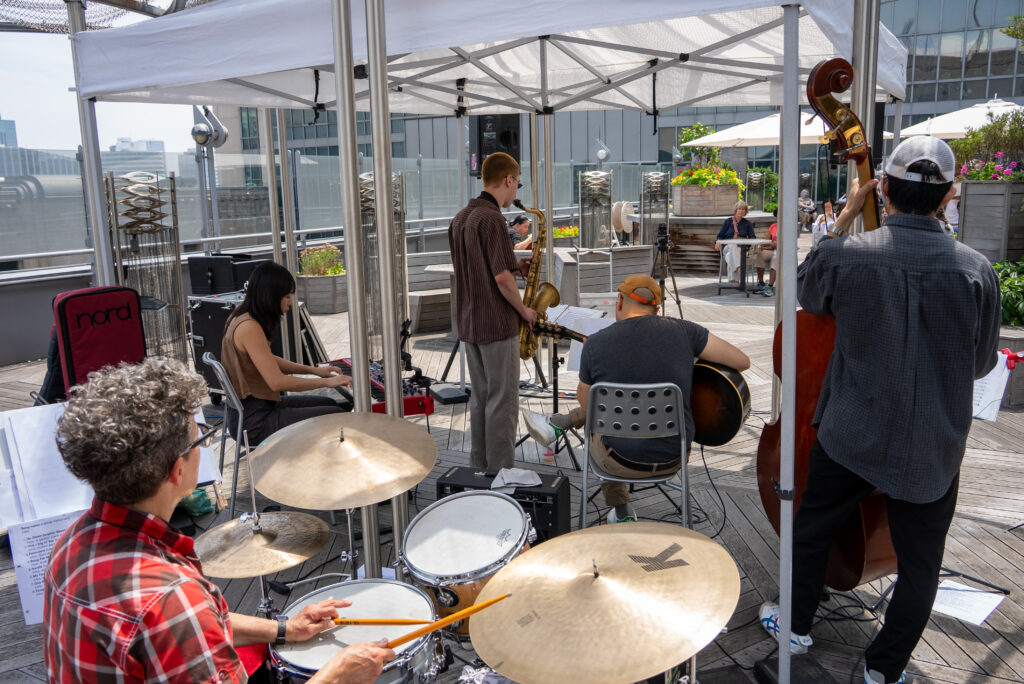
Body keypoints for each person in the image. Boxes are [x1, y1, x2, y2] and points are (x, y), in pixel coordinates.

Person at [758, 137, 1001, 684]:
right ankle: (883, 669)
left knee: (813, 526)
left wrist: (845, 216)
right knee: (921, 564)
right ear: (950, 195)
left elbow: (807, 295)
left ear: (882, 187)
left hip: (852, 430)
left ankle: (794, 628)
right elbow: (982, 363)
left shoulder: (846, 255)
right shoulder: (977, 271)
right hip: (931, 444)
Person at [44, 358, 394, 683]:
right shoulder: (172, 600)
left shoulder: (70, 545)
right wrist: (338, 674)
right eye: (198, 435)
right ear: (177, 470)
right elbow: (182, 617)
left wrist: (285, 628)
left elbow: (198, 621)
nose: (202, 443)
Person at [522, 274, 750, 522]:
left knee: (598, 418)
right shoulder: (686, 331)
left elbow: (589, 407)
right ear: (657, 310)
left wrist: (595, 356)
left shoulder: (596, 343)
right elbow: (742, 361)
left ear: (620, 301)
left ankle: (621, 511)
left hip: (618, 460)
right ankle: (557, 424)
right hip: (675, 457)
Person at [449, 152, 537, 470]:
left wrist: (515, 268)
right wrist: (524, 310)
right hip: (497, 324)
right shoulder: (492, 219)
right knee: (503, 401)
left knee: (482, 398)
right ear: (508, 179)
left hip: (470, 322)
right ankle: (501, 474)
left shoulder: (461, 218)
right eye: (518, 183)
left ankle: (480, 468)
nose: (516, 191)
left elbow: (480, 270)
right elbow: (500, 279)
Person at [221, 261, 350, 446]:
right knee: (337, 415)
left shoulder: (239, 316)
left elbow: (267, 360)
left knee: (330, 403)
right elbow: (277, 382)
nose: (290, 302)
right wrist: (327, 382)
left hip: (255, 410)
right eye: (287, 296)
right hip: (255, 422)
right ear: (271, 296)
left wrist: (314, 371)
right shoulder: (249, 327)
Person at [715, 201, 756, 286]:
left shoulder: (747, 224)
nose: (741, 211)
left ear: (745, 211)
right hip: (727, 248)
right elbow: (720, 235)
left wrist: (746, 243)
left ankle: (735, 279)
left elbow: (753, 237)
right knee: (733, 244)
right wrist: (718, 242)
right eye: (739, 209)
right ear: (736, 210)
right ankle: (739, 268)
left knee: (730, 255)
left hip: (742, 249)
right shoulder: (728, 221)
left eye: (743, 209)